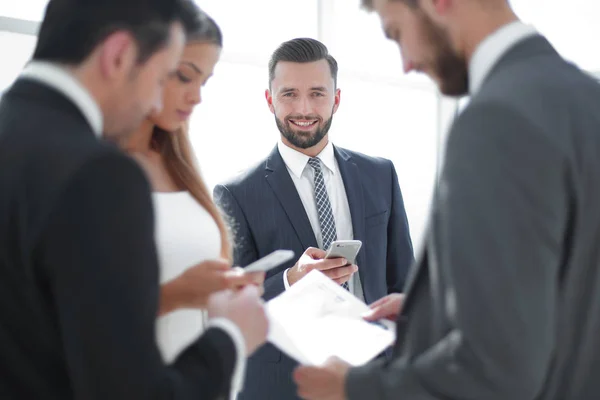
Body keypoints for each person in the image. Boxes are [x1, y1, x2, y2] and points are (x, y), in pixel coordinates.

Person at [293, 0, 600, 399]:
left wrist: (352, 387)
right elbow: (570, 293)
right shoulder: (587, 99)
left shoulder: (495, 119)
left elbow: (496, 369)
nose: (407, 64)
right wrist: (433, 317)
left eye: (397, 34)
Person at [0, 0, 267, 399]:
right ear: (120, 55)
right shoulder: (100, 173)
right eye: (163, 76)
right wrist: (230, 337)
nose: (153, 101)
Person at [214, 37, 414, 400]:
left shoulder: (380, 175)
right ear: (269, 99)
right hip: (284, 385)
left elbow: (403, 279)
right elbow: (227, 306)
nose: (303, 108)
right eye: (289, 93)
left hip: (372, 378)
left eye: (317, 94)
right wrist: (291, 280)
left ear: (336, 99)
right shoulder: (235, 194)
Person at [122, 6, 265, 370]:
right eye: (185, 77)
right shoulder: (99, 168)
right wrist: (175, 295)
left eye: (205, 82)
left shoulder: (179, 164)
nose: (197, 96)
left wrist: (228, 292)